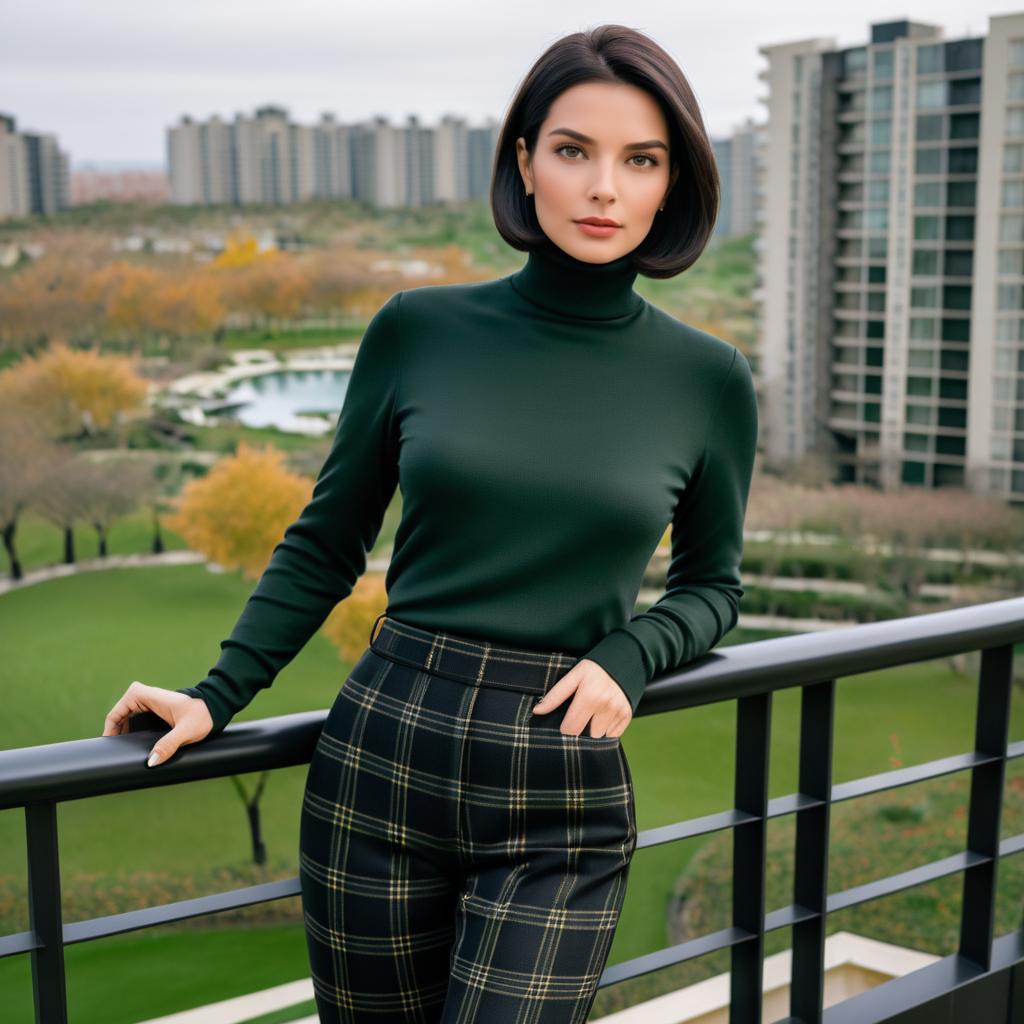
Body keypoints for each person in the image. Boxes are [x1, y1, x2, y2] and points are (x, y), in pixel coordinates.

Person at [102, 22, 758, 1023]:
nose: (603, 189)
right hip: (384, 750)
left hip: (559, 772)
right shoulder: (418, 329)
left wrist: (634, 652)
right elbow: (326, 543)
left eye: (641, 160)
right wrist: (215, 694)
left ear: (672, 185)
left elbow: (713, 584)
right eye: (574, 150)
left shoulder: (706, 379)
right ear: (523, 161)